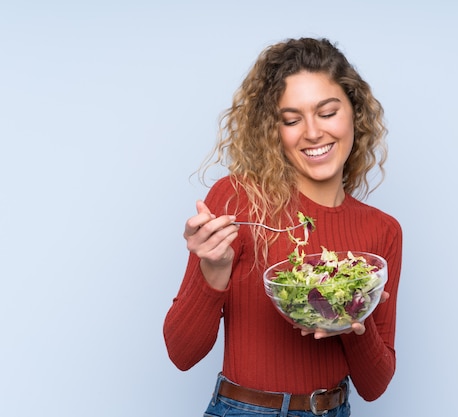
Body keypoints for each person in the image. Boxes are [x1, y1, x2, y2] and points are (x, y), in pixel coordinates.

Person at [163, 37, 402, 417]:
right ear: (274, 131)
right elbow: (181, 353)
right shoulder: (237, 200)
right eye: (291, 120)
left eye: (327, 113)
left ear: (354, 113)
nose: (312, 132)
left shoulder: (382, 231)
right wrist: (213, 269)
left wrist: (353, 320)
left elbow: (375, 386)